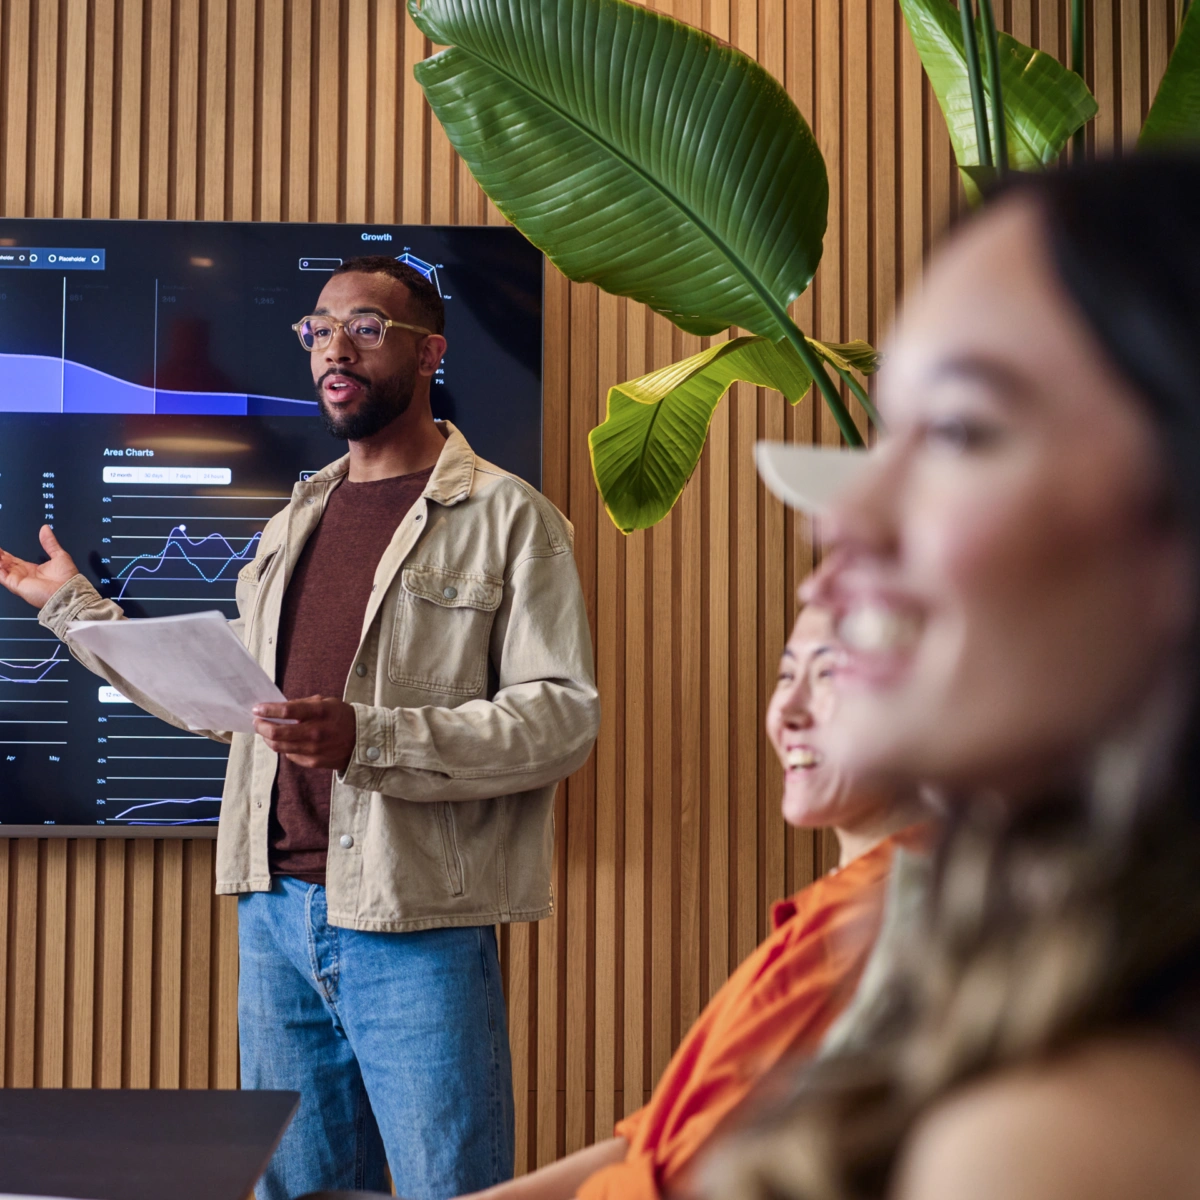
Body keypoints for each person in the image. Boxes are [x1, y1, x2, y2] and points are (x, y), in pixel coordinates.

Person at [0, 256, 600, 1200]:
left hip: (414, 925)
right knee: (295, 1193)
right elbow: (230, 703)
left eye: (365, 327)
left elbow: (561, 719)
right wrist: (75, 611)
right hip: (273, 913)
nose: (334, 348)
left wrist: (369, 738)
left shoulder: (509, 517)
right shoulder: (294, 519)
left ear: (430, 352)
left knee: (450, 1189)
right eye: (319, 329)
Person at [703, 153, 1200, 1200]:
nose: (843, 517)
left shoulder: (1060, 1144)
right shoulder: (1013, 969)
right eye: (892, 432)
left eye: (962, 431)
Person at [458, 601, 930, 1200]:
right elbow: (652, 1141)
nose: (788, 710)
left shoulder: (872, 927)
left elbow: (682, 1179)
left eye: (830, 675)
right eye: (786, 675)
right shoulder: (842, 907)